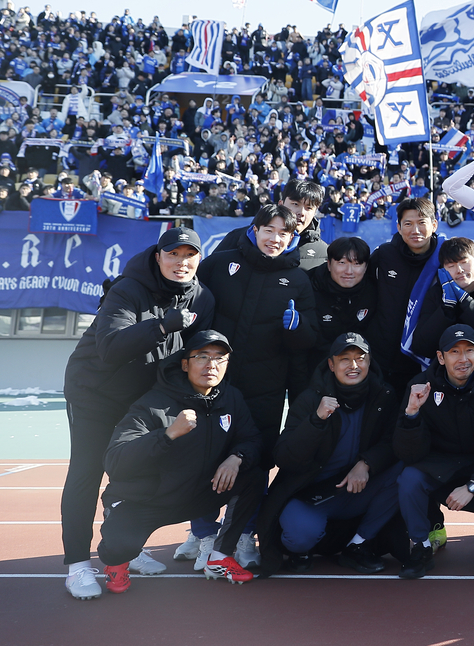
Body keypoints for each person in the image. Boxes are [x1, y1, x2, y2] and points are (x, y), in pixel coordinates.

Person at [62, 227, 214, 599]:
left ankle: (125, 547)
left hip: (143, 395)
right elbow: (112, 348)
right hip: (94, 391)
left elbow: (193, 354)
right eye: (173, 255)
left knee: (139, 467)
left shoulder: (202, 297)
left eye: (189, 255)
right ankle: (77, 565)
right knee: (87, 471)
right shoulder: (128, 289)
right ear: (158, 256)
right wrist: (162, 325)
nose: (182, 262)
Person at [80, 331, 264, 598]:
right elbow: (115, 461)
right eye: (202, 356)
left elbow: (252, 439)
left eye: (219, 358)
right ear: (185, 364)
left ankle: (219, 557)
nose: (211, 365)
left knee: (254, 476)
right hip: (147, 499)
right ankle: (118, 561)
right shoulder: (153, 403)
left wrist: (237, 457)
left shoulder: (231, 398)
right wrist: (167, 435)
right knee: (119, 547)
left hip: (198, 493)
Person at [196, 203, 318, 566]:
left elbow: (310, 338)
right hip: (215, 382)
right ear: (255, 229)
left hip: (265, 386)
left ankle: (245, 535)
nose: (275, 239)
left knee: (257, 460)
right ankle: (204, 535)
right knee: (206, 455)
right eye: (269, 230)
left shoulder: (298, 278)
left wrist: (298, 328)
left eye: (284, 233)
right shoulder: (222, 263)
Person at [257, 334, 401, 576]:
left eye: (360, 358)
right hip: (311, 493)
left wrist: (366, 463)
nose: (353, 366)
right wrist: (316, 420)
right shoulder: (310, 399)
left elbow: (391, 442)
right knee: (300, 537)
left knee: (406, 472)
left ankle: (358, 545)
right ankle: (303, 549)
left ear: (369, 362)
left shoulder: (383, 395)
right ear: (331, 365)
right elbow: (285, 457)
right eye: (344, 359)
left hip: (355, 489)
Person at [395, 325, 474, 579]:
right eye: (454, 352)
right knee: (408, 478)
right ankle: (420, 546)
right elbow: (407, 453)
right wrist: (411, 415)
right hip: (441, 466)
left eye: (469, 351)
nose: (463, 359)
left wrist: (473, 485)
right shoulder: (420, 386)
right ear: (441, 357)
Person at [400, 237, 474, 367]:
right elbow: (422, 347)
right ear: (443, 271)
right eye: (451, 266)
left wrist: (465, 302)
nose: (459, 270)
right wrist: (446, 310)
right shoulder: (436, 294)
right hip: (448, 377)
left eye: (464, 262)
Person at [369, 198, 443, 391]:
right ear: (399, 227)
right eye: (408, 224)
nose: (415, 230)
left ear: (434, 225)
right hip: (380, 358)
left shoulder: (446, 258)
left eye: (421, 223)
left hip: (421, 361)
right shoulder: (384, 254)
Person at [214, 178, 328, 270]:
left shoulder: (323, 254)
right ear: (281, 204)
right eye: (295, 204)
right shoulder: (239, 237)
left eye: (309, 208)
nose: (301, 213)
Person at [307, 236, 378, 375]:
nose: (349, 271)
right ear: (329, 264)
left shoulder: (375, 291)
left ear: (366, 267)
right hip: (317, 371)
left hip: (359, 372)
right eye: (341, 262)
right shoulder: (310, 287)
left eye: (357, 264)